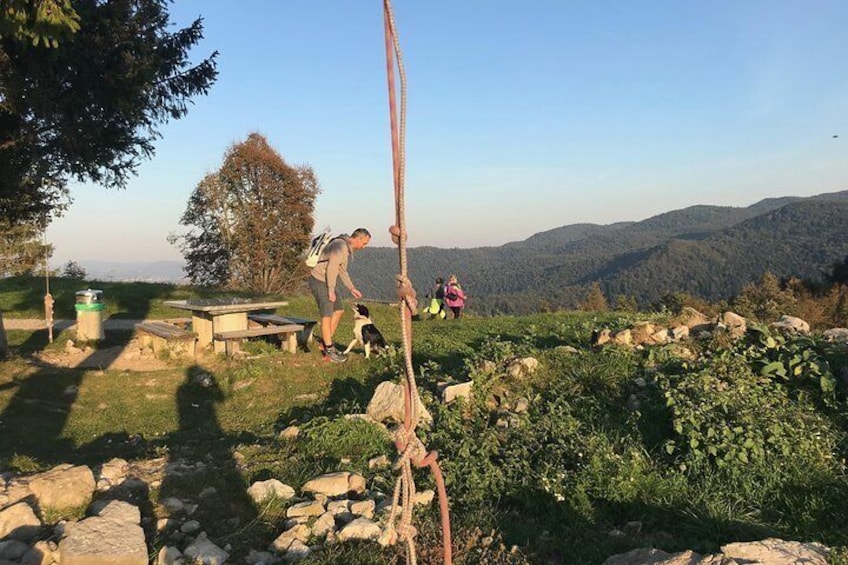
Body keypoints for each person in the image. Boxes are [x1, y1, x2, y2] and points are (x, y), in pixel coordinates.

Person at [308, 228, 371, 362]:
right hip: (319, 280)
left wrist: (351, 288)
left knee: (339, 309)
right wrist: (330, 289)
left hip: (327, 281)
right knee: (327, 314)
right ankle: (330, 350)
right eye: (365, 243)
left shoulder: (345, 247)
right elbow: (332, 267)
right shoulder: (341, 246)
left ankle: (325, 343)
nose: (364, 247)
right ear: (358, 239)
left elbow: (342, 271)